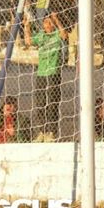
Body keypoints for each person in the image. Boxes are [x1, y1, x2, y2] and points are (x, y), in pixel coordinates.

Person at [23, 12, 67, 143]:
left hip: (54, 74)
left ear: (53, 25)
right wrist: (27, 26)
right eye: (45, 22)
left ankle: (52, 132)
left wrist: (56, 20)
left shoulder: (56, 35)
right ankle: (42, 132)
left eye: (49, 22)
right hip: (41, 74)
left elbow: (64, 35)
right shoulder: (41, 36)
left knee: (52, 104)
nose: (47, 24)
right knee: (40, 104)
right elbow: (28, 41)